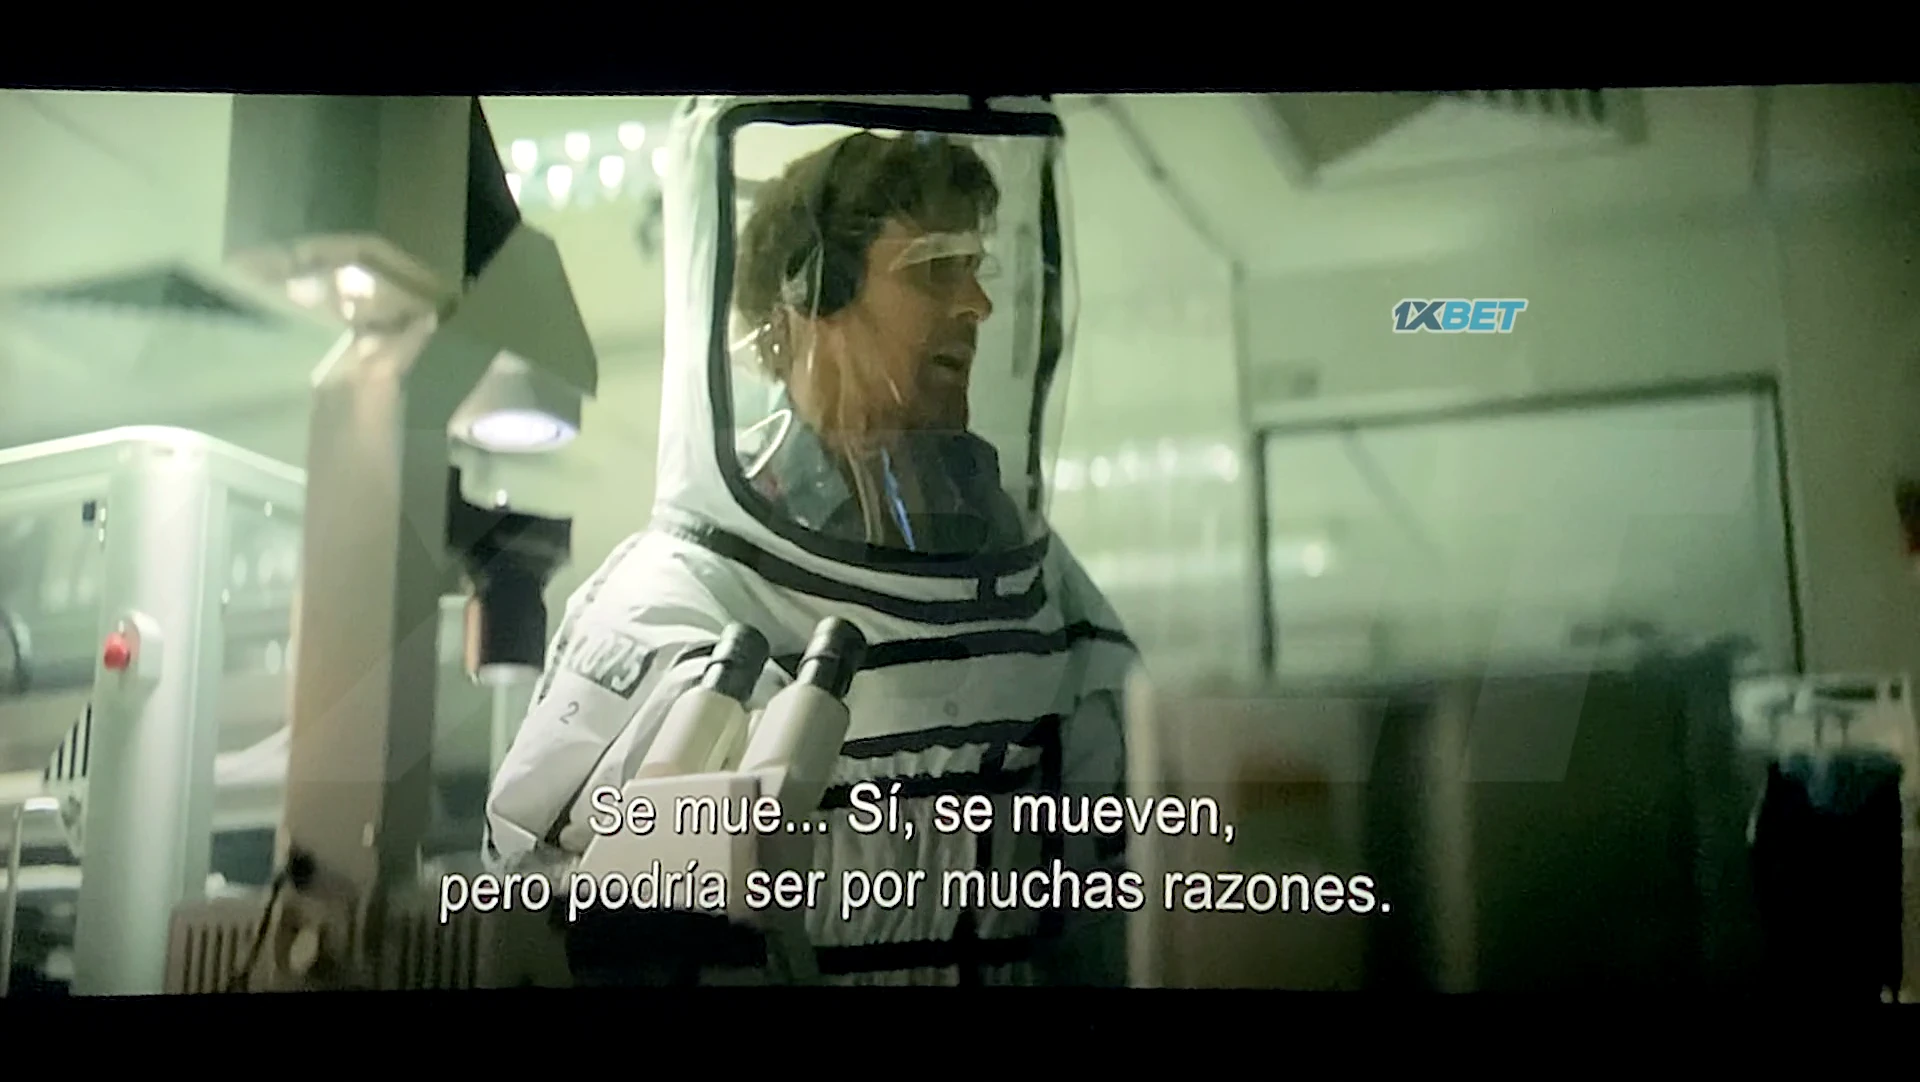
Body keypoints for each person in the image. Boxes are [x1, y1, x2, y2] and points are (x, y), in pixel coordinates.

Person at [485, 95, 1138, 986]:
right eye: (936, 269)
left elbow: (1141, 869)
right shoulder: (681, 598)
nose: (979, 303)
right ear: (813, 291)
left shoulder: (1039, 584)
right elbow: (531, 916)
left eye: (978, 269)